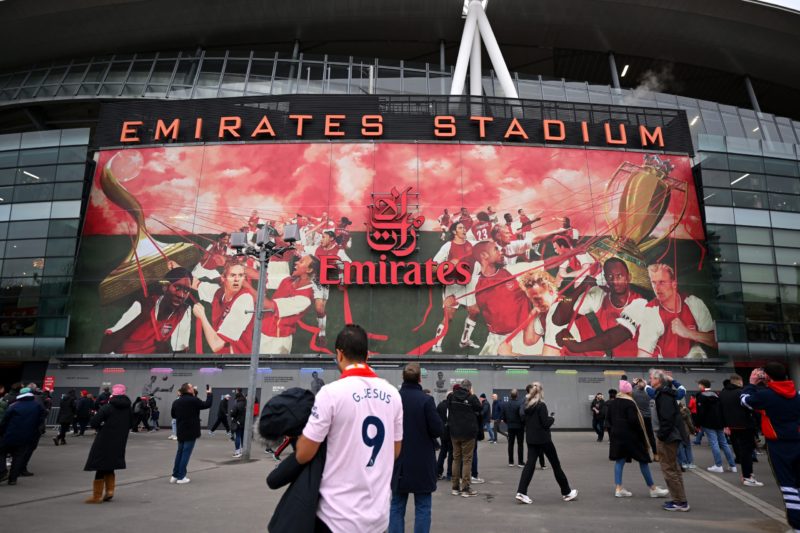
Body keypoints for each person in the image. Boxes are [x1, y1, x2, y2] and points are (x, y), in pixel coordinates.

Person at [295, 324, 403, 532]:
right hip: (378, 518)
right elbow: (395, 451)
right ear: (368, 355)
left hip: (336, 518)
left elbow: (303, 454)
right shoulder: (393, 394)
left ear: (339, 353)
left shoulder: (330, 393)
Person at [741, 363, 800, 530]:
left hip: (778, 445)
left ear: (766, 377)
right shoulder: (796, 395)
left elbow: (745, 401)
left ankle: (797, 524)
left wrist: (752, 383)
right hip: (796, 440)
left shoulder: (766, 396)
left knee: (787, 484)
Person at [389, 363, 443, 533]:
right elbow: (437, 430)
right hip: (422, 462)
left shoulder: (394, 400)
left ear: (402, 378)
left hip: (399, 460)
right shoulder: (426, 400)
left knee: (396, 506)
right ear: (420, 378)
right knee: (423, 506)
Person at [101, 267, 194, 354]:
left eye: (186, 291)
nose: (181, 295)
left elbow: (180, 350)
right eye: (177, 288)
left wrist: (165, 351)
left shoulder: (184, 311)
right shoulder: (141, 306)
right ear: (165, 286)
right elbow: (108, 343)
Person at [515, 382, 578, 504]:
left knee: (530, 465)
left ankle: (521, 492)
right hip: (544, 439)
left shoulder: (526, 406)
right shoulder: (541, 405)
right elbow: (545, 423)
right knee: (555, 464)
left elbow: (524, 419)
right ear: (540, 392)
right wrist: (552, 418)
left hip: (531, 438)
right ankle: (566, 492)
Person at [637, 263, 716, 358]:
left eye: (662, 282)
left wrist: (688, 333)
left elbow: (715, 341)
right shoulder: (651, 310)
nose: (657, 288)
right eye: (654, 283)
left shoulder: (693, 303)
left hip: (692, 367)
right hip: (665, 367)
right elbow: (643, 354)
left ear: (674, 284)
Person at [605, 380, 669, 499]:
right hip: (631, 437)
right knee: (643, 460)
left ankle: (618, 488)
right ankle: (653, 488)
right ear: (629, 392)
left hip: (617, 435)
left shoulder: (613, 403)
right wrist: (643, 438)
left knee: (619, 461)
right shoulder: (630, 403)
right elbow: (634, 422)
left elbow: (608, 420)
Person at [431, 221, 481, 353]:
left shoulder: (472, 244)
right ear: (454, 232)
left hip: (469, 283)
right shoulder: (448, 246)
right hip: (453, 283)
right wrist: (447, 267)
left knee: (474, 311)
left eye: (464, 228)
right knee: (449, 317)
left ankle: (464, 340)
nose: (464, 230)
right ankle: (436, 344)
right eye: (460, 228)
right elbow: (435, 263)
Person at [83, 384, 132, 503]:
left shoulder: (107, 407)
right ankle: (110, 491)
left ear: (113, 394)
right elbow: (131, 424)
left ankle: (97, 496)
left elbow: (94, 422)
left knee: (100, 466)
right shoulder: (128, 408)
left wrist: (102, 427)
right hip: (120, 440)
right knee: (110, 465)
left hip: (104, 439)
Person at [260, 254, 318, 354]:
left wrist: (247, 287)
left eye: (301, 262)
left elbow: (270, 306)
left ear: (309, 270)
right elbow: (264, 279)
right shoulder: (287, 280)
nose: (296, 262)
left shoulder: (305, 298)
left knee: (271, 369)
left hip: (278, 341)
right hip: (263, 333)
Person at [194, 261, 255, 354]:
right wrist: (176, 267)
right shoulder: (219, 292)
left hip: (237, 361)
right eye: (232, 275)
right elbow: (195, 283)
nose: (237, 279)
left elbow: (216, 345)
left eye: (240, 275)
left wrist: (202, 316)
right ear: (223, 278)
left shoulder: (245, 300)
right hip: (222, 357)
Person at [650, 369, 690, 511]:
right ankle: (679, 499)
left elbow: (667, 418)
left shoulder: (663, 395)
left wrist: (661, 435)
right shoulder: (665, 393)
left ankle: (679, 502)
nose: (650, 380)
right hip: (672, 435)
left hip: (668, 437)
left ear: (658, 380)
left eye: (652, 378)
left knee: (669, 469)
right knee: (674, 468)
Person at [309, 230, 351, 346]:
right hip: (315, 281)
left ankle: (321, 332)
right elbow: (304, 254)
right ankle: (321, 334)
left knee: (321, 310)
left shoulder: (339, 251)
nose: (321, 239)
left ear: (331, 238)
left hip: (328, 282)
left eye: (323, 237)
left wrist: (341, 278)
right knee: (319, 308)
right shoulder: (315, 249)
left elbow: (348, 265)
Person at [719, 374, 762, 486]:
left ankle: (746, 475)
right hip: (745, 425)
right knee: (747, 451)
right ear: (739, 381)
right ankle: (748, 476)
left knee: (740, 450)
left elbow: (721, 410)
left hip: (732, 426)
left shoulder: (722, 393)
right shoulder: (741, 393)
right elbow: (751, 408)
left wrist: (725, 425)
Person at [0, 387, 46, 485]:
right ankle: (13, 479)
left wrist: (2, 432)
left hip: (10, 434)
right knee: (18, 456)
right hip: (27, 436)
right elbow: (41, 420)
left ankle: (3, 471)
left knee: (2, 452)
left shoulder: (14, 406)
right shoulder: (37, 406)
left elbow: (5, 421)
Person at [170, 383, 213, 484]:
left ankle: (175, 475)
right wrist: (209, 394)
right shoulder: (193, 400)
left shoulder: (177, 401)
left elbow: (173, 415)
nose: (193, 388)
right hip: (191, 430)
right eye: (192, 387)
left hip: (181, 430)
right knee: (186, 453)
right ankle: (181, 477)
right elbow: (207, 404)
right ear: (189, 390)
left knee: (180, 452)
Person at [447, 380, 482, 497]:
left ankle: (455, 487)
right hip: (468, 433)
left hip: (454, 433)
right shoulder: (471, 398)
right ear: (469, 388)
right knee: (467, 460)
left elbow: (449, 407)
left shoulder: (451, 396)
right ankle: (465, 488)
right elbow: (479, 409)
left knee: (456, 459)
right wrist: (472, 395)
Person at [695, 379, 737, 473]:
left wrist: (697, 424)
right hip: (719, 423)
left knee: (714, 443)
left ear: (702, 385)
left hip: (708, 423)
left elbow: (700, 412)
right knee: (724, 443)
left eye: (699, 385)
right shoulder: (716, 395)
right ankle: (732, 465)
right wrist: (725, 423)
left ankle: (718, 465)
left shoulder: (701, 396)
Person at [631, 378, 657, 455]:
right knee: (650, 435)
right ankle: (655, 453)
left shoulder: (634, 392)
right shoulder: (649, 393)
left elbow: (626, 390)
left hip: (639, 417)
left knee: (638, 434)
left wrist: (634, 383)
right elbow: (650, 387)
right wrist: (646, 383)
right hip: (648, 416)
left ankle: (641, 451)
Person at [502, 389, 525, 467]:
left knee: (510, 444)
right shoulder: (520, 403)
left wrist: (507, 422)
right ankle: (520, 462)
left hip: (510, 427)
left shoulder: (506, 404)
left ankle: (510, 462)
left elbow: (503, 416)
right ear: (517, 395)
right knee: (520, 444)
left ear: (510, 395)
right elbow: (522, 414)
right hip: (519, 427)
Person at [435, 392, 453, 481]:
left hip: (442, 432)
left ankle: (438, 472)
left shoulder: (440, 405)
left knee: (443, 451)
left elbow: (436, 418)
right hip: (451, 432)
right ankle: (449, 474)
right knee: (451, 453)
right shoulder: (452, 405)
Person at [229, 391, 247, 458]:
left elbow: (232, 414)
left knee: (238, 436)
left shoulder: (237, 404)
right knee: (243, 436)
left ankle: (237, 452)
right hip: (245, 423)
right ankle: (243, 450)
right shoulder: (246, 403)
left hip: (238, 422)